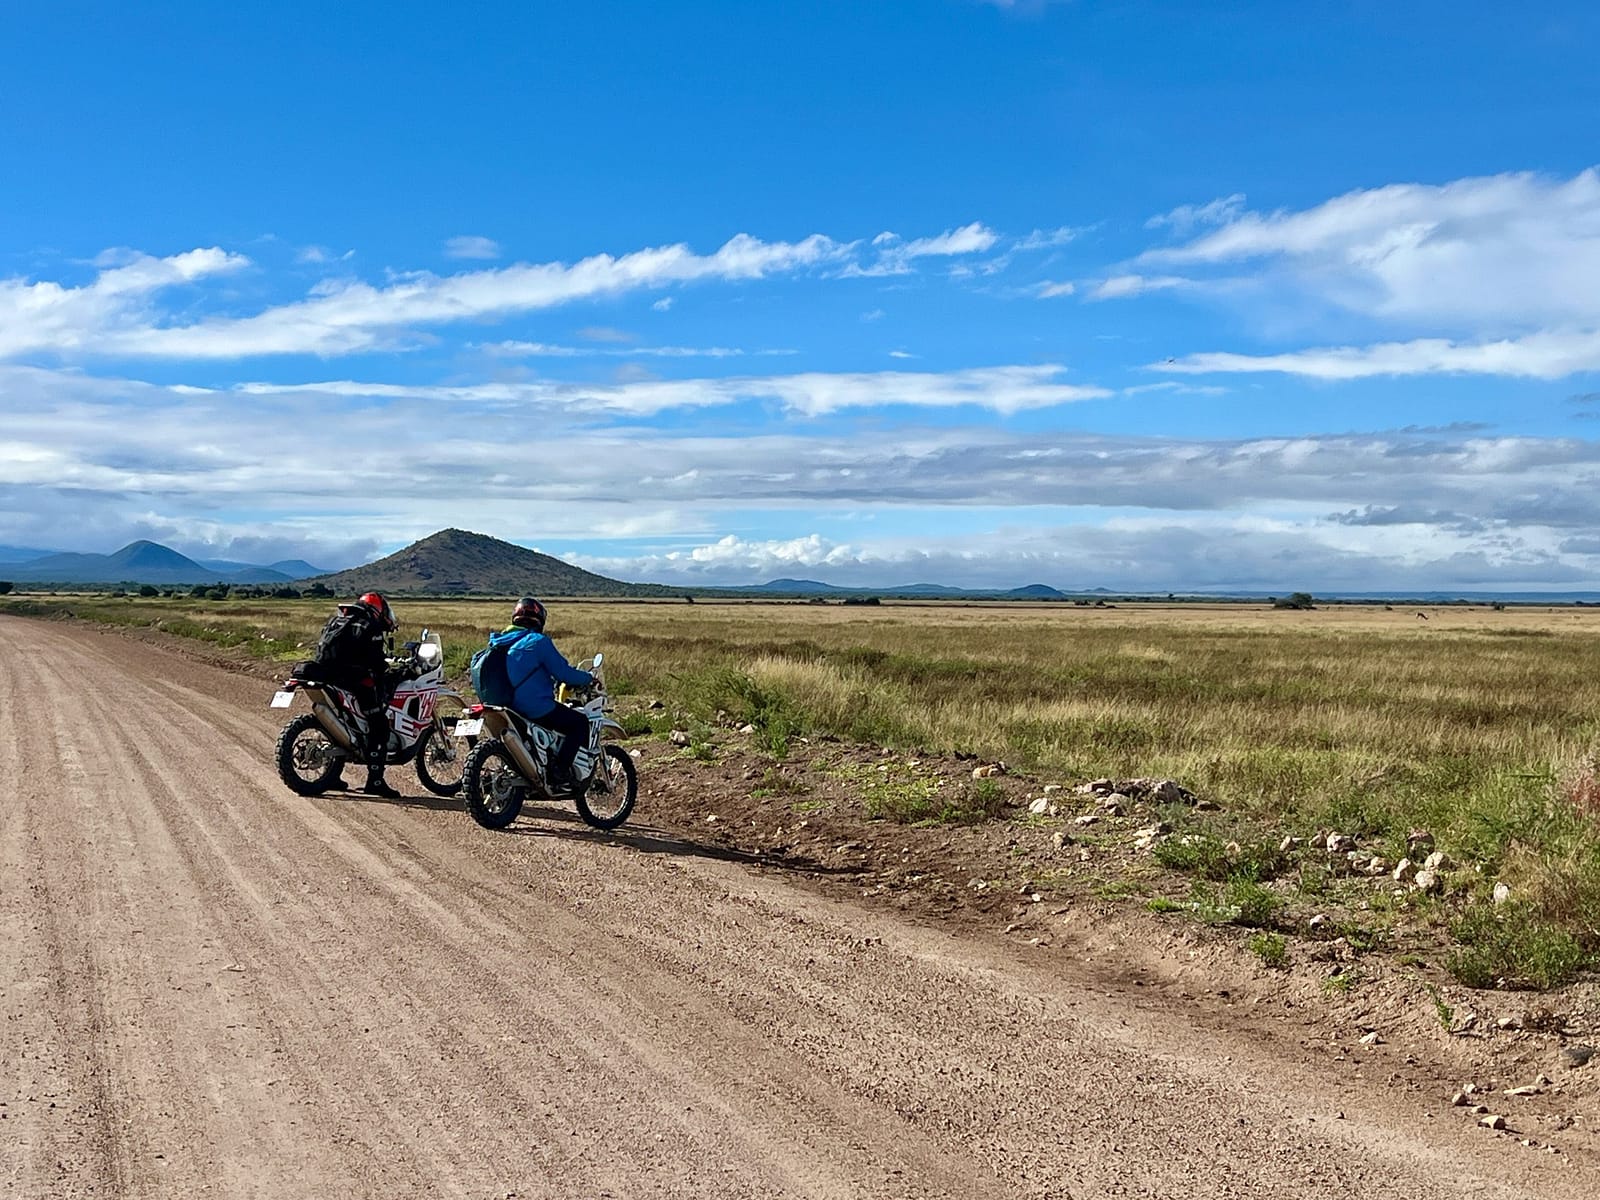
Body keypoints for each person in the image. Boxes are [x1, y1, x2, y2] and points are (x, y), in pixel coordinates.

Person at [486, 597, 594, 792]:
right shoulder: (538, 641)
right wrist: (589, 678)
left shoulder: (500, 642)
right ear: (539, 620)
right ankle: (560, 773)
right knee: (579, 723)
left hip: (505, 705)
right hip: (534, 707)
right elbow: (564, 673)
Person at [305, 591, 403, 799]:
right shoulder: (369, 625)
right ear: (379, 609)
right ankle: (375, 781)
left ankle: (332, 776)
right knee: (379, 725)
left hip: (328, 675)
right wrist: (390, 670)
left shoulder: (339, 620)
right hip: (352, 678)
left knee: (341, 722)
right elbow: (376, 663)